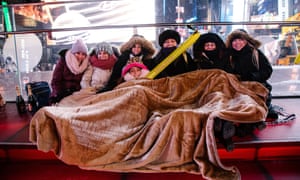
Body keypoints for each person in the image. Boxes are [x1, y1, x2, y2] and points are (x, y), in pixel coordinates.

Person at [226, 29, 278, 136]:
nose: (237, 43)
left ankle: (249, 126)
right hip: (239, 87)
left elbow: (267, 70)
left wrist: (253, 76)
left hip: (256, 85)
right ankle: (254, 122)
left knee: (254, 101)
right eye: (234, 41)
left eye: (240, 40)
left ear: (246, 41)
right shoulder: (229, 56)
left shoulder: (256, 53)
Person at [49, 39, 89, 105]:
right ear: (73, 53)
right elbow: (55, 81)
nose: (80, 56)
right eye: (78, 53)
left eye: (83, 54)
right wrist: (59, 94)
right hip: (62, 92)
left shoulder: (87, 64)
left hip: (78, 94)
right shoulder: (64, 61)